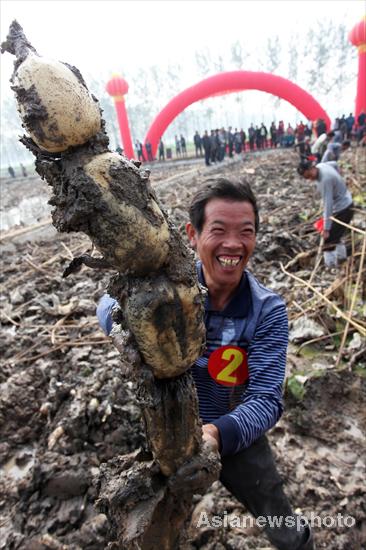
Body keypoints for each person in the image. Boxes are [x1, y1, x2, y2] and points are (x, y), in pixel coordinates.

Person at [96, 178, 314, 550]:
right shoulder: (167, 293)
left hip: (235, 434)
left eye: (245, 232)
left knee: (283, 525)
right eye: (218, 230)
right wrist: (132, 322)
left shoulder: (266, 311)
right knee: (151, 531)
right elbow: (107, 305)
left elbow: (265, 399)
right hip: (169, 431)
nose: (233, 244)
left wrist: (215, 435)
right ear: (192, 235)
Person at [297, 159, 353, 266]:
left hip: (343, 208)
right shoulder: (321, 165)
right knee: (337, 235)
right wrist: (338, 179)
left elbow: (328, 204)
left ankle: (330, 266)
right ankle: (342, 260)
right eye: (306, 178)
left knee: (328, 240)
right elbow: (335, 164)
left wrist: (326, 228)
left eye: (309, 176)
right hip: (346, 201)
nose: (310, 179)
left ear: (312, 168)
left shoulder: (325, 180)